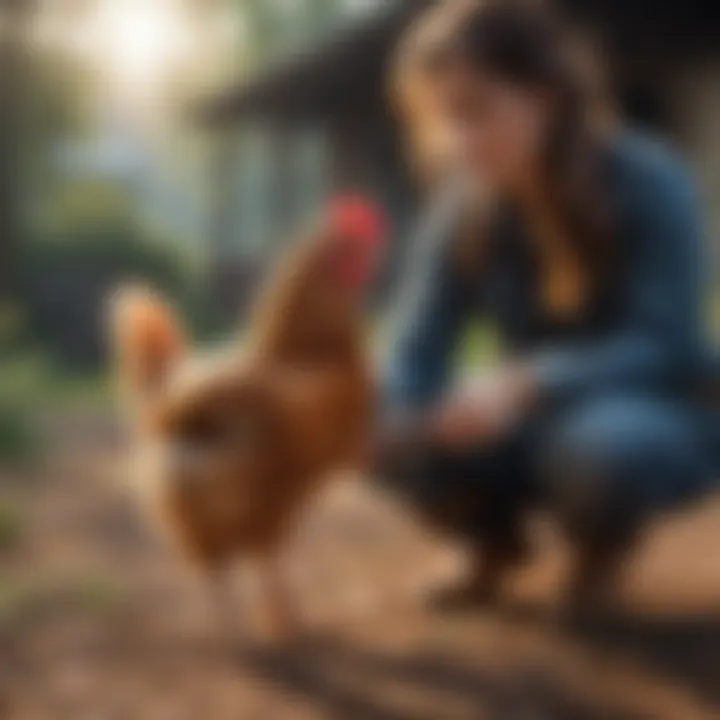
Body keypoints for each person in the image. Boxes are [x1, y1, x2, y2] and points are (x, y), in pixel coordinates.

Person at [375, 0, 718, 606]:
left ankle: (602, 540)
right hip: (527, 421)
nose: (459, 141)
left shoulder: (651, 181)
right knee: (372, 417)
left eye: (475, 111)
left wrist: (529, 381)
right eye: (442, 119)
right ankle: (489, 543)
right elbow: (416, 348)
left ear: (547, 95)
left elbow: (666, 342)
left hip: (657, 410)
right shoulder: (466, 209)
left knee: (594, 449)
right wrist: (384, 410)